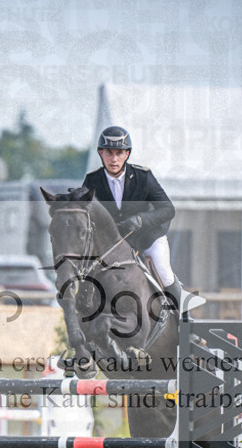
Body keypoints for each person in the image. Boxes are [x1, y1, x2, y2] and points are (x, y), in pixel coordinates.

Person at [81, 125, 204, 312]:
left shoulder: (143, 177)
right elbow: (83, 214)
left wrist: (141, 219)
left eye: (119, 153)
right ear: (100, 153)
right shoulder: (92, 180)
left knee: (163, 271)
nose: (114, 159)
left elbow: (168, 209)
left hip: (147, 237)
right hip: (113, 244)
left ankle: (186, 324)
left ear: (127, 154)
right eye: (109, 153)